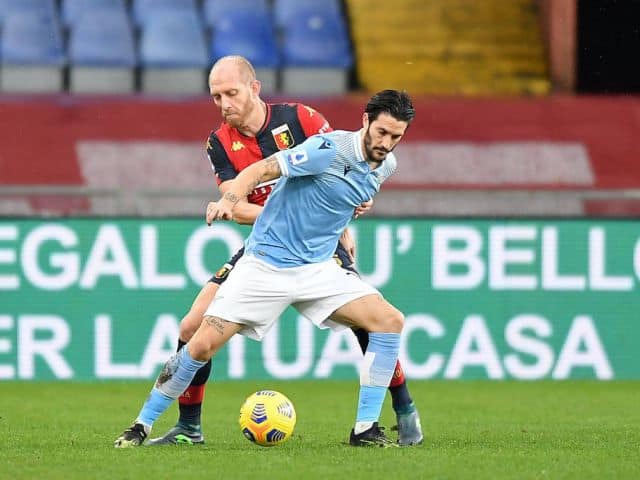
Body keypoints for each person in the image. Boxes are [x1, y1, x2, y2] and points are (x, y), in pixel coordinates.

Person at [114, 88, 417, 448]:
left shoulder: (387, 165)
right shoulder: (328, 149)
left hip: (318, 269)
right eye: (381, 132)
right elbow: (262, 169)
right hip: (265, 267)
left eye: (396, 136)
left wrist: (351, 212)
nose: (386, 143)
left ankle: (366, 429)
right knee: (200, 346)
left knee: (390, 321)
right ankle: (141, 425)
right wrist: (228, 199)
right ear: (365, 121)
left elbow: (342, 197)